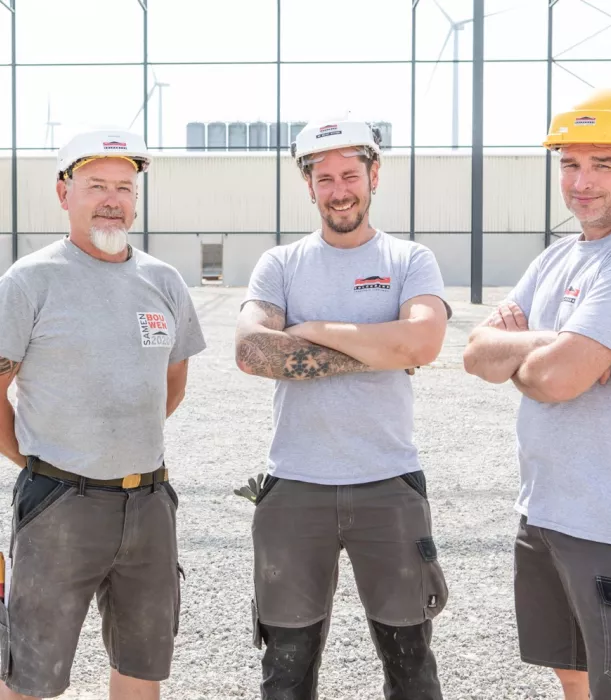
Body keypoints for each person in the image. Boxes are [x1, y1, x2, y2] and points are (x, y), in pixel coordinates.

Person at [463, 88, 611, 700]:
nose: (581, 181)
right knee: (572, 678)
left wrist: (542, 358)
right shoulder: (558, 258)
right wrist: (562, 346)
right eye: (570, 163)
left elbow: (555, 379)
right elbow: (476, 354)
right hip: (547, 513)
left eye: (603, 164)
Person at [235, 118, 450, 700]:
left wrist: (312, 331)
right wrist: (383, 346)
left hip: (388, 485)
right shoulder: (279, 264)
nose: (338, 189)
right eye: (324, 177)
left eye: (349, 174)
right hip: (294, 487)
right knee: (285, 669)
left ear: (374, 175)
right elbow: (253, 352)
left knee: (411, 665)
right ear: (309, 185)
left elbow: (424, 344)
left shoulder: (410, 259)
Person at [0, 130, 206, 699]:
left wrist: (123, 449)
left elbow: (174, 377)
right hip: (60, 506)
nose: (112, 198)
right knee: (31, 672)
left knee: (143, 665)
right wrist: (40, 458)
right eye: (96, 186)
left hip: (148, 505)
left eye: (124, 186)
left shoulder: (162, 281)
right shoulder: (29, 282)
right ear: (64, 194)